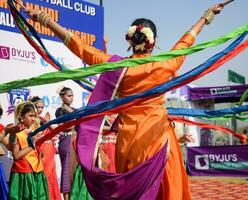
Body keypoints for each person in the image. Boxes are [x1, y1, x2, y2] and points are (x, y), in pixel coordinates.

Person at [25, 4, 223, 199]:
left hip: (128, 143)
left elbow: (79, 47)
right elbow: (186, 42)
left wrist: (45, 19)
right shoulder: (165, 65)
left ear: (129, 39)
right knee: (168, 190)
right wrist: (206, 16)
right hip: (159, 138)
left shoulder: (118, 67)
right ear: (152, 43)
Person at [9, 101, 49, 199]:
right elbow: (16, 155)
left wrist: (40, 144)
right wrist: (32, 145)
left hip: (37, 173)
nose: (33, 119)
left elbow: (41, 155)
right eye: (30, 115)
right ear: (21, 116)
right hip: (23, 174)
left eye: (34, 116)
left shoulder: (34, 132)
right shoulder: (16, 133)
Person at [30, 96, 62, 200]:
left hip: (50, 151)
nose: (40, 110)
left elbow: (54, 131)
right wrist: (44, 124)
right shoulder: (30, 121)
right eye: (37, 107)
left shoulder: (42, 119)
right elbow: (36, 136)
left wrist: (47, 122)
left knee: (51, 176)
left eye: (42, 107)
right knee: (43, 176)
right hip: (40, 151)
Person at [55, 87, 77, 200]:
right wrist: (76, 122)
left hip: (76, 141)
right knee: (67, 171)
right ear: (62, 97)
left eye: (72, 95)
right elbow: (64, 127)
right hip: (66, 142)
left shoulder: (76, 110)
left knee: (76, 170)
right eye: (69, 95)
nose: (71, 98)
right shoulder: (60, 111)